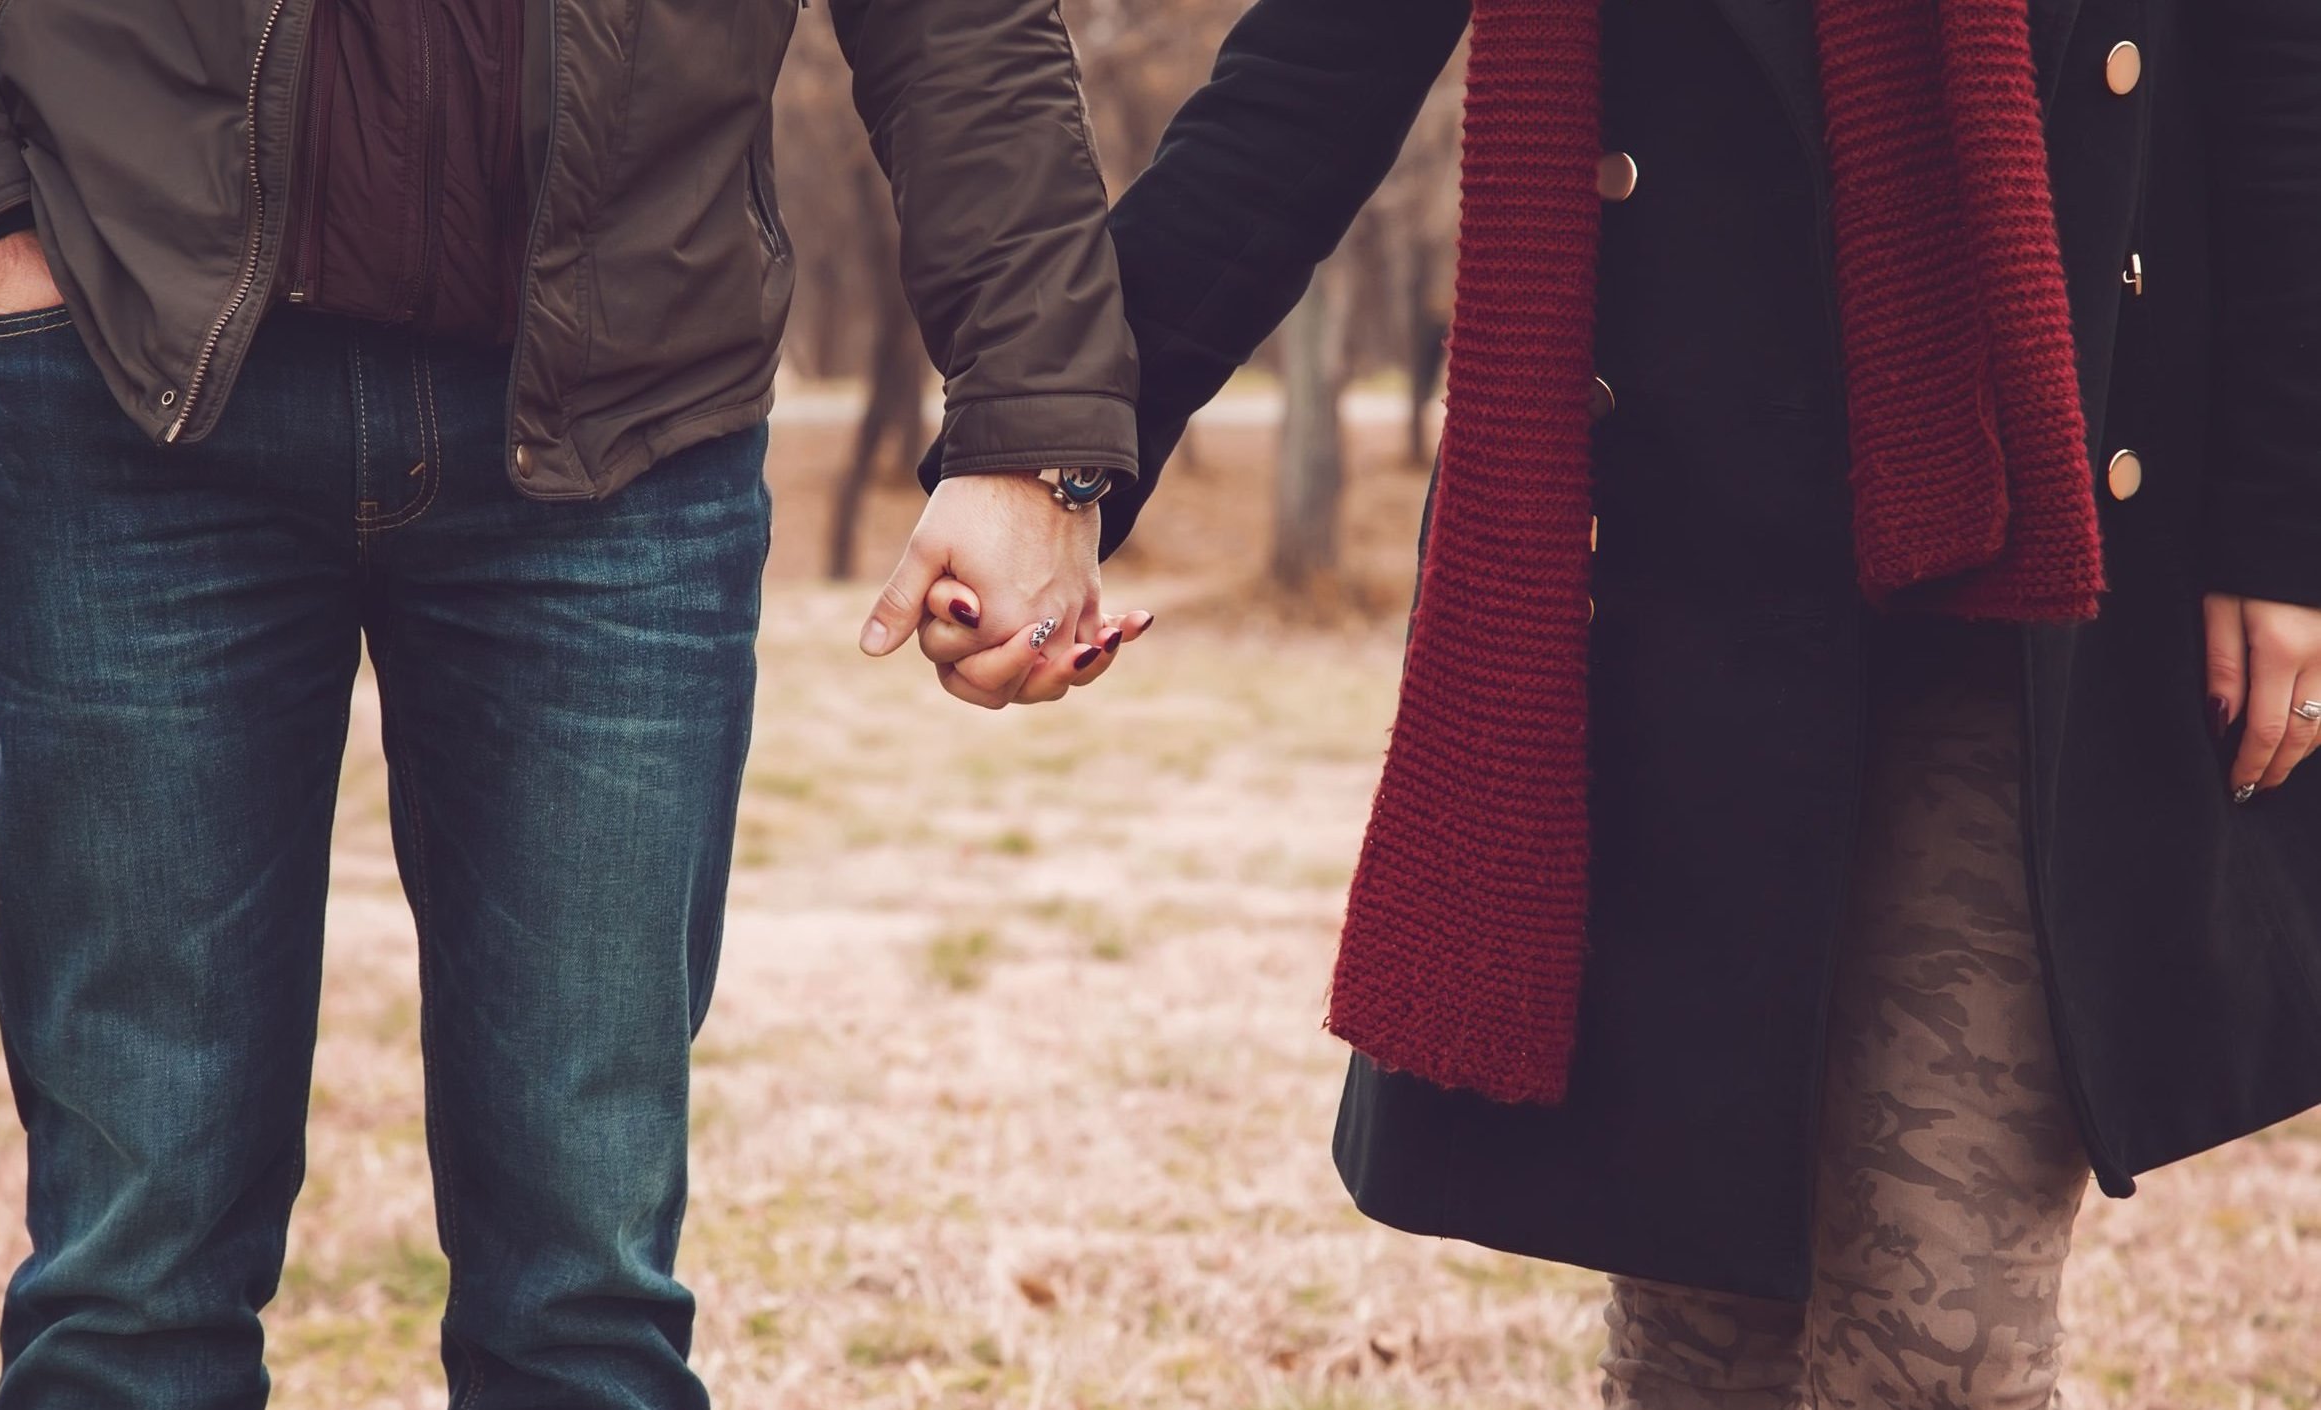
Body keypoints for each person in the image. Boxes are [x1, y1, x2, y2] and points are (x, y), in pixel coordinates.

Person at [915, 0, 2321, 1404]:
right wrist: (1056, 457)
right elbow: (1306, 85)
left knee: (1936, 1351)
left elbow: (2281, 64)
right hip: (1697, 584)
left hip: (2034, 569)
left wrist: (2287, 519)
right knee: (1708, 1347)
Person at [0, 1, 1142, 1404]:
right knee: (126, 1296)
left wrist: (1038, 426)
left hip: (626, 407)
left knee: (585, 1305)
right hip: (119, 366)